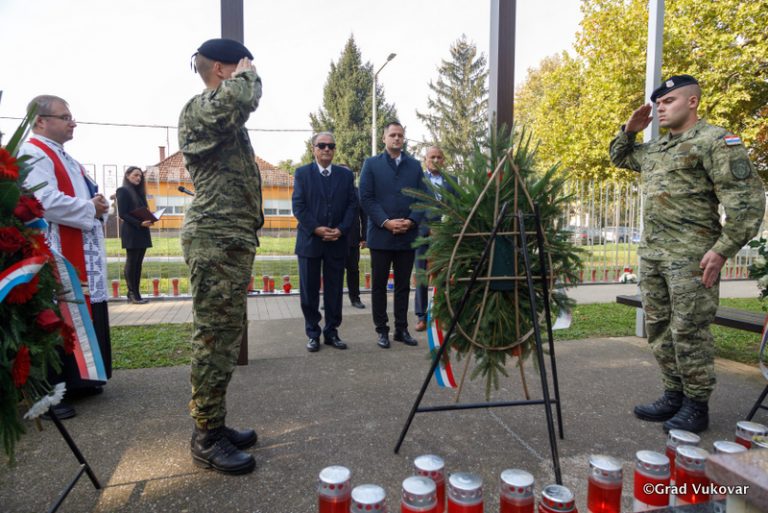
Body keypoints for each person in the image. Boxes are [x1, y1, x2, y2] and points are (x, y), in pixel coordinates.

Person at [609, 74, 765, 433]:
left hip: (693, 258)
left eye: (669, 102)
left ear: (692, 102)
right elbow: (620, 156)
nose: (660, 108)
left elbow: (748, 203)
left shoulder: (715, 141)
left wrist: (722, 250)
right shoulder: (657, 149)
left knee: (689, 330)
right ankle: (673, 394)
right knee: (660, 328)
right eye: (658, 104)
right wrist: (629, 130)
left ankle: (697, 404)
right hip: (654, 256)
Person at [179, 38, 263, 475]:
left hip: (229, 240)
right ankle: (206, 437)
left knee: (225, 338)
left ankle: (216, 423)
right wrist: (246, 74)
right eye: (241, 64)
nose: (250, 70)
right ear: (220, 70)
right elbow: (244, 96)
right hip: (214, 238)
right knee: (213, 338)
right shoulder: (199, 109)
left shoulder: (222, 113)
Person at [20, 95, 112, 419]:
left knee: (80, 307)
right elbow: (43, 199)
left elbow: (80, 194)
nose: (72, 122)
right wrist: (90, 208)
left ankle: (79, 381)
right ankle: (50, 392)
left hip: (79, 245)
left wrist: (97, 203)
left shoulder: (67, 158)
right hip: (53, 247)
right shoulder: (32, 152)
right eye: (65, 116)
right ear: (41, 120)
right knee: (55, 313)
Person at [359, 122, 429, 349]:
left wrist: (410, 221)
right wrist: (387, 222)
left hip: (407, 235)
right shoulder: (371, 164)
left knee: (402, 286)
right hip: (381, 235)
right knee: (379, 285)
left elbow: (422, 197)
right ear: (384, 138)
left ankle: (401, 329)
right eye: (392, 135)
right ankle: (382, 330)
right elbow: (366, 197)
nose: (397, 138)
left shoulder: (415, 166)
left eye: (400, 135)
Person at [292, 133, 358, 352]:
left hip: (337, 241)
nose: (327, 149)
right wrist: (317, 229)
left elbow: (352, 206)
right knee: (309, 291)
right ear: (314, 149)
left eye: (331, 146)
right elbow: (299, 207)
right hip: (310, 241)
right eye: (322, 145)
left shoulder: (345, 176)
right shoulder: (302, 174)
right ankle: (313, 333)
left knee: (334, 291)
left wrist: (340, 229)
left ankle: (332, 332)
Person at [414, 146, 456, 332]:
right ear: (425, 160)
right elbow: (413, 205)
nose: (436, 160)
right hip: (423, 235)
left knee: (444, 276)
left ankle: (442, 314)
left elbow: (458, 207)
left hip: (445, 236)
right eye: (432, 157)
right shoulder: (419, 181)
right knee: (422, 275)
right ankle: (421, 317)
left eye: (439, 157)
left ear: (444, 160)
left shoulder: (452, 181)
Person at [116, 166, 154, 304]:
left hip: (143, 231)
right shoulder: (122, 191)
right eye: (135, 175)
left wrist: (151, 218)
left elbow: (143, 210)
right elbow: (123, 214)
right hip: (132, 231)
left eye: (140, 176)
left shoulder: (139, 193)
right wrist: (139, 224)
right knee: (132, 262)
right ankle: (133, 294)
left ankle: (136, 293)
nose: (138, 178)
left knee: (138, 264)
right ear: (127, 176)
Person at [346, 178, 367, 310]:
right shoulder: (331, 190)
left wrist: (364, 237)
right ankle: (329, 300)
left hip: (353, 239)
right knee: (332, 271)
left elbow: (364, 217)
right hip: (333, 239)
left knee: (353, 270)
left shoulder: (358, 193)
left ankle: (355, 298)